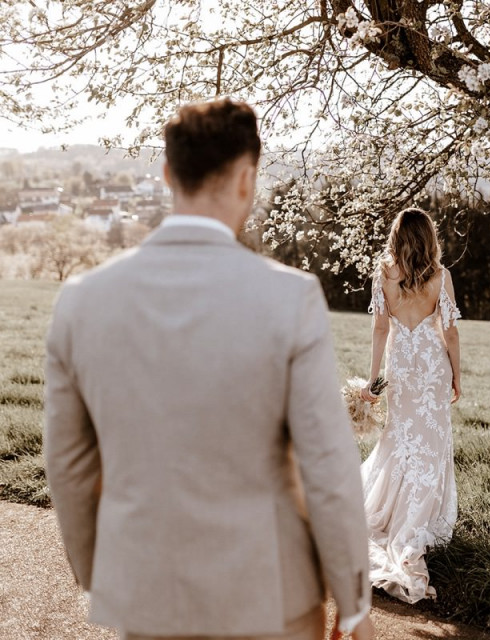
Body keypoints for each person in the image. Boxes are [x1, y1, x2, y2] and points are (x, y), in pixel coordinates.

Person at [44, 98, 374, 640]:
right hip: (270, 597)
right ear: (247, 179)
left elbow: (68, 464)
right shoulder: (290, 298)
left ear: (170, 173)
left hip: (146, 594)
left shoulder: (81, 301)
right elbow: (329, 466)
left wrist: (101, 574)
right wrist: (355, 601)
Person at [359, 208, 461, 604]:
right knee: (428, 445)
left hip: (400, 366)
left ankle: (389, 515)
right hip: (431, 369)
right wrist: (457, 375)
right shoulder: (441, 277)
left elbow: (381, 328)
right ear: (429, 238)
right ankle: (415, 523)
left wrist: (374, 381)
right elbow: (450, 332)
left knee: (398, 439)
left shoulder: (384, 274)